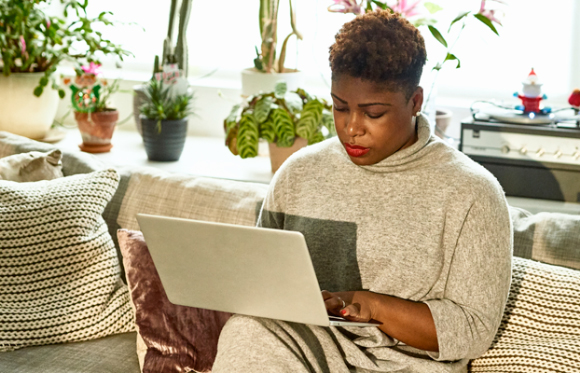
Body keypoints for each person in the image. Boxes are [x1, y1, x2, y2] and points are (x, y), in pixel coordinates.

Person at [212, 9, 512, 373]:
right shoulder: (299, 172)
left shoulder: (472, 193)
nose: (352, 128)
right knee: (246, 330)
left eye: (373, 113)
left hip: (403, 366)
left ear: (415, 102)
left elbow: (472, 329)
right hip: (304, 352)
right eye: (340, 107)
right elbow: (262, 284)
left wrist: (370, 305)